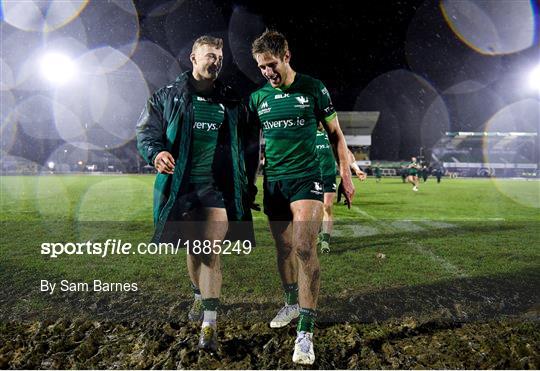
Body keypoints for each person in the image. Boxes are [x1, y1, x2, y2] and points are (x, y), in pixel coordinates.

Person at [136, 35, 257, 352]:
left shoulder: (230, 100)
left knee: (211, 251)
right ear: (193, 58)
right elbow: (147, 132)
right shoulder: (168, 96)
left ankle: (209, 325)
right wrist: (156, 153)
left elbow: (245, 146)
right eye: (209, 55)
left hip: (214, 190)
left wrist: (247, 185)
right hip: (182, 190)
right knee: (196, 251)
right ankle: (196, 293)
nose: (215, 61)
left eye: (219, 56)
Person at [249, 30, 355, 365]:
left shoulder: (313, 88)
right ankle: (291, 302)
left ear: (286, 56)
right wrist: (248, 182)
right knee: (283, 248)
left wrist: (346, 175)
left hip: (307, 179)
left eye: (271, 64)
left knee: (305, 248)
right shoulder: (258, 98)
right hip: (274, 183)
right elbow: (248, 145)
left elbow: (336, 134)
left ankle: (305, 333)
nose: (268, 72)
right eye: (261, 67)